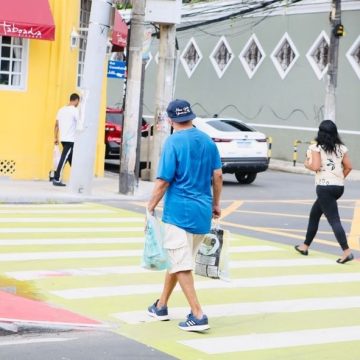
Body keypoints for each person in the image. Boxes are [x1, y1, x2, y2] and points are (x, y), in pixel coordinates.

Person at [146, 99, 223, 332]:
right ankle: (161, 306)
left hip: (178, 212)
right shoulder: (208, 141)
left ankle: (198, 314)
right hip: (202, 213)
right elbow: (217, 176)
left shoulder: (173, 142)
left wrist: (150, 207)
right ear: (191, 116)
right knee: (178, 259)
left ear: (170, 120)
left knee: (180, 263)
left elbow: (163, 181)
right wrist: (216, 204)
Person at [295, 120, 353, 264]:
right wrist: (339, 179)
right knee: (314, 215)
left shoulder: (316, 148)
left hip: (324, 188)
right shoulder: (341, 148)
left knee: (334, 220)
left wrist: (306, 164)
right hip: (338, 187)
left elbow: (315, 166)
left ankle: (346, 252)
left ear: (320, 132)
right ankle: (305, 246)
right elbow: (349, 167)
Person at [52, 93, 80, 186]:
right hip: (71, 139)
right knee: (64, 159)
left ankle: (78, 180)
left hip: (63, 138)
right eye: (78, 102)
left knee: (73, 160)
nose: (78, 103)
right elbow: (80, 124)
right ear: (76, 100)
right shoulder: (75, 110)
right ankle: (57, 179)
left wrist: (55, 137)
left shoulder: (61, 110)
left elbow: (56, 125)